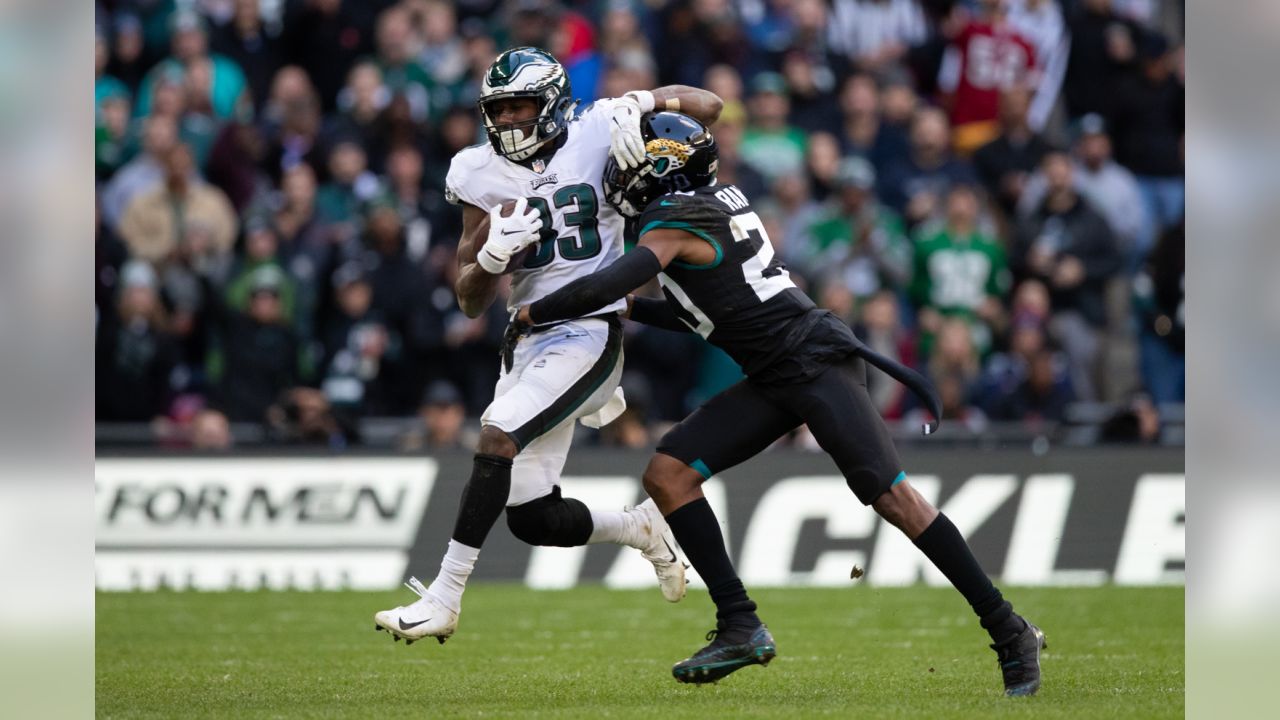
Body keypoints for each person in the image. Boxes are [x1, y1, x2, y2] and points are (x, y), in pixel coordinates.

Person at [513, 111, 1045, 695]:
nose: (621, 174)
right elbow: (706, 316)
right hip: (776, 367)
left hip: (811, 361)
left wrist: (537, 310)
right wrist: (633, 312)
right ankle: (740, 624)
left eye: (632, 163)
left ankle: (1007, 628)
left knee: (895, 499)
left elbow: (614, 281)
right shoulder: (712, 203)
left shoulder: (673, 218)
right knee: (668, 475)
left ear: (663, 168)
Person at [372, 47, 725, 645]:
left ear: (555, 104)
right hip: (527, 336)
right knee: (533, 517)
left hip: (591, 330)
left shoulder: (597, 128)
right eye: (499, 109)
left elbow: (709, 106)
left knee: (496, 432)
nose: (509, 120)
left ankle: (444, 596)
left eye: (521, 106)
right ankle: (640, 529)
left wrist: (643, 101)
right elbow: (469, 298)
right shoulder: (476, 172)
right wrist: (489, 257)